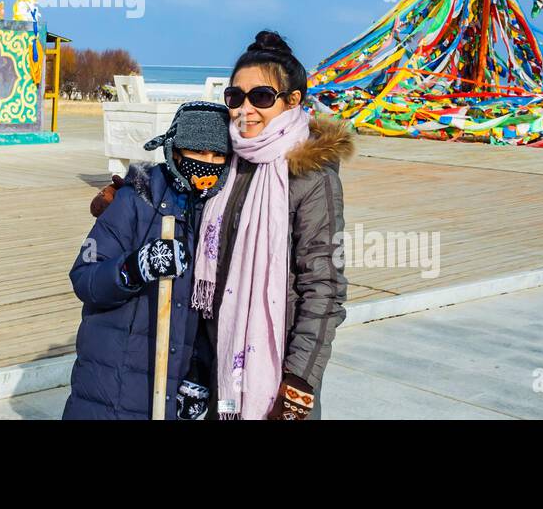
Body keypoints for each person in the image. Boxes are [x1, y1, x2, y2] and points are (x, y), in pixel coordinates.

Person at [193, 30, 352, 420]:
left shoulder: (310, 175)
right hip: (213, 356)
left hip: (276, 364)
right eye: (235, 97)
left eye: (261, 97)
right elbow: (175, 180)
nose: (244, 109)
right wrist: (132, 191)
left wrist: (299, 382)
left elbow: (324, 287)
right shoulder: (223, 159)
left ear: (293, 101)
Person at [63, 101, 232, 419]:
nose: (208, 163)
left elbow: (211, 314)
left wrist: (197, 375)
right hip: (111, 386)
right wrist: (135, 267)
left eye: (218, 155)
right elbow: (85, 277)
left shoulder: (221, 216)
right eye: (197, 152)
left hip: (170, 391)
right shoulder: (136, 198)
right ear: (176, 151)